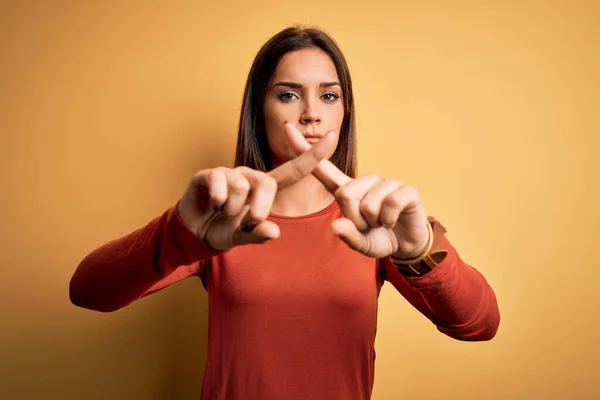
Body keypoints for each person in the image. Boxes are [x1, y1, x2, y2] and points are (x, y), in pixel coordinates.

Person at [69, 26, 500, 400]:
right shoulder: (223, 220)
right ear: (260, 111)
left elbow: (479, 325)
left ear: (344, 113)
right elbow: (88, 291)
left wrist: (419, 248)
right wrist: (179, 231)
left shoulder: (376, 220)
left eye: (329, 96)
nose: (311, 113)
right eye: (289, 94)